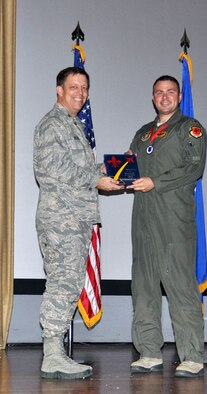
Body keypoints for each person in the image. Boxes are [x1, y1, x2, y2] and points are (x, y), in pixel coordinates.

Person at [33, 67, 123, 380]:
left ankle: (55, 354)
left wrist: (117, 167)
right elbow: (59, 171)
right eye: (73, 87)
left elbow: (81, 168)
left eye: (84, 88)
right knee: (62, 284)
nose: (79, 93)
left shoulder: (72, 126)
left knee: (69, 284)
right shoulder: (52, 125)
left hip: (75, 219)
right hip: (61, 220)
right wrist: (98, 178)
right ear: (59, 90)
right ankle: (52, 354)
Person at [126, 75, 207, 378]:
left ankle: (192, 355)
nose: (164, 97)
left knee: (181, 288)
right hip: (144, 221)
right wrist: (118, 170)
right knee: (144, 287)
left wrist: (156, 182)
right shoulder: (144, 133)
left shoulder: (190, 128)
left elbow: (193, 167)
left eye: (170, 92)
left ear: (179, 95)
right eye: (159, 92)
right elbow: (129, 164)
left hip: (174, 222)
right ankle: (148, 352)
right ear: (152, 97)